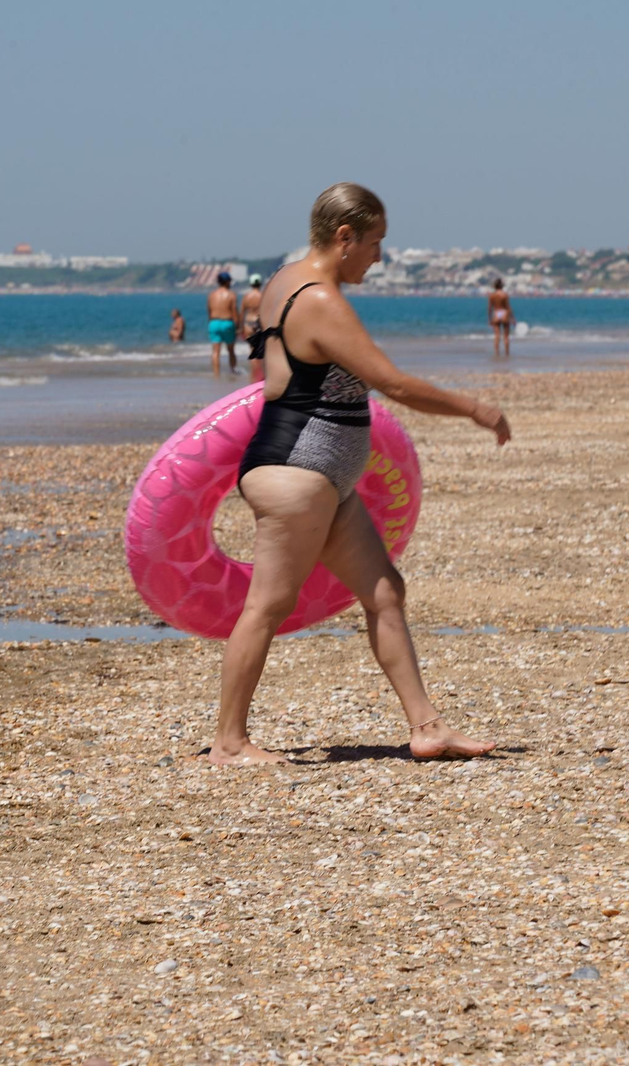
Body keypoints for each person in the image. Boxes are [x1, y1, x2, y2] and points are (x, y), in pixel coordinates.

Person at [216, 182, 508, 766]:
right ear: (344, 237)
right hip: (297, 472)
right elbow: (393, 384)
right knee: (268, 606)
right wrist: (474, 409)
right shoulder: (320, 299)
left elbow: (258, 365)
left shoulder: (279, 280)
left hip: (319, 477)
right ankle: (229, 742)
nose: (379, 257)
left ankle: (427, 728)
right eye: (375, 243)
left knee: (384, 592)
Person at [207, 272, 241, 376]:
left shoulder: (212, 295)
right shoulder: (231, 295)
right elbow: (234, 312)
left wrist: (211, 323)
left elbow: (209, 310)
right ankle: (233, 371)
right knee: (231, 350)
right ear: (226, 282)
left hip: (214, 322)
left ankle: (216, 374)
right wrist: (238, 327)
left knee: (215, 352)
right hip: (227, 322)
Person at [241, 274, 266, 383]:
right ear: (260, 283)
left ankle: (253, 377)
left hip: (248, 323)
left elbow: (242, 312)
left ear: (251, 284)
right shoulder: (263, 295)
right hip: (259, 323)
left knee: (252, 352)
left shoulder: (247, 296)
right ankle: (259, 377)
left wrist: (240, 328)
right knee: (260, 353)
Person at [488, 278, 514, 358]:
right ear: (502, 286)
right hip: (504, 313)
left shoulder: (492, 295)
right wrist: (512, 318)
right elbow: (508, 307)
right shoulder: (504, 295)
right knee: (506, 336)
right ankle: (507, 353)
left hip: (496, 313)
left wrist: (489, 319)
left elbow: (490, 308)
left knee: (497, 335)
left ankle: (497, 353)